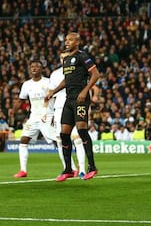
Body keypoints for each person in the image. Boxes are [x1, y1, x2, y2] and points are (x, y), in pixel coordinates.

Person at [46, 32, 100, 182]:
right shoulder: (67, 60)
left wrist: (84, 91)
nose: (67, 42)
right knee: (64, 134)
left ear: (77, 41)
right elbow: (66, 80)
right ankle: (68, 169)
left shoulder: (83, 56)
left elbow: (96, 75)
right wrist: (52, 92)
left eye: (70, 40)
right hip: (69, 100)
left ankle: (92, 167)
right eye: (66, 40)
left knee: (82, 131)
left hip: (80, 99)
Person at [45, 51, 86, 179]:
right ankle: (69, 168)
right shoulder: (55, 74)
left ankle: (82, 170)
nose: (64, 60)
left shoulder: (78, 70)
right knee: (60, 139)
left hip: (73, 105)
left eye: (66, 57)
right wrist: (47, 113)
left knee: (77, 138)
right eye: (62, 58)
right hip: (58, 108)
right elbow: (50, 94)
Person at [12, 59, 55, 178]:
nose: (34, 68)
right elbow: (21, 100)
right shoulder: (27, 84)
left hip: (47, 115)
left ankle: (71, 168)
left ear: (42, 69)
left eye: (36, 67)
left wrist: (55, 114)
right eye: (32, 67)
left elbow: (54, 97)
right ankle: (23, 170)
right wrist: (13, 110)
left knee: (57, 142)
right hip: (33, 117)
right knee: (23, 140)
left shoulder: (48, 82)